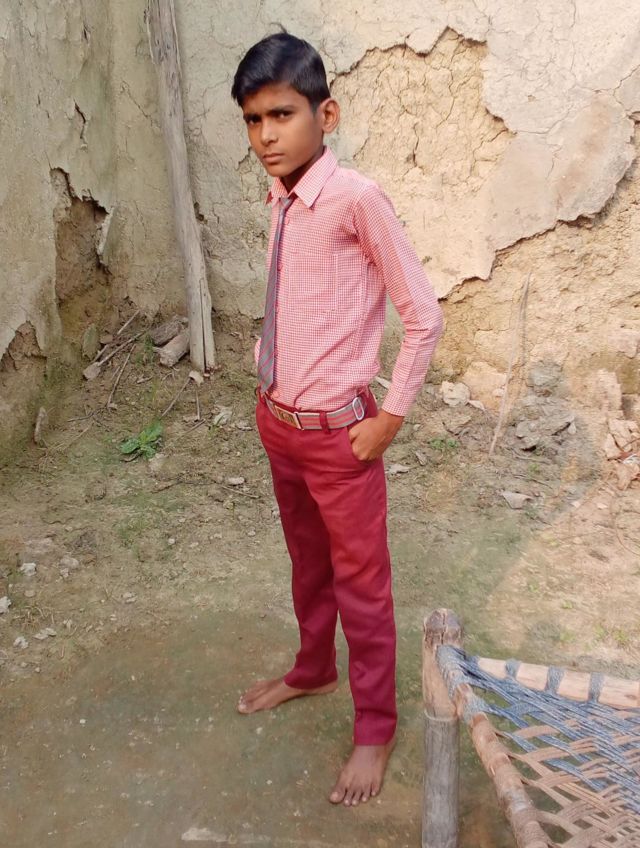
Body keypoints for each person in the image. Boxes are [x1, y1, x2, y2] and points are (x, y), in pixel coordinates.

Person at [231, 31, 443, 807]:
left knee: (362, 586)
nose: (266, 135)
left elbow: (423, 316)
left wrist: (391, 419)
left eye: (282, 114)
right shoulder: (281, 198)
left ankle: (376, 727)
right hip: (280, 425)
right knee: (308, 565)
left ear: (328, 114)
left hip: (341, 439)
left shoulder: (356, 198)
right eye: (253, 120)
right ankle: (314, 669)